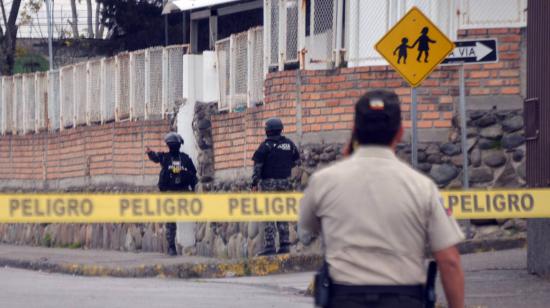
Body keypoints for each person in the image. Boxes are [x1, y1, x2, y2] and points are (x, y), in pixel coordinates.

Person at [299, 90, 465, 308]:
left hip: (345, 299)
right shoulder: (422, 187)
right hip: (404, 299)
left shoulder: (324, 181)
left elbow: (308, 225)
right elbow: (449, 261)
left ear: (355, 131)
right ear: (400, 132)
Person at [251, 118, 301, 256]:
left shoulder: (265, 146)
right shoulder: (289, 144)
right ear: (281, 129)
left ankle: (270, 246)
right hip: (285, 183)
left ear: (267, 131)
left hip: (268, 184)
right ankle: (285, 244)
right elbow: (297, 161)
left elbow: (257, 167)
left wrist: (254, 183)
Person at [146, 132, 197, 256]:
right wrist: (150, 153)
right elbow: (156, 157)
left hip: (182, 192)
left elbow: (193, 175)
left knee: (171, 220)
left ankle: (173, 247)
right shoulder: (169, 157)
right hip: (172, 192)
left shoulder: (181, 158)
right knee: (170, 221)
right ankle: (171, 247)